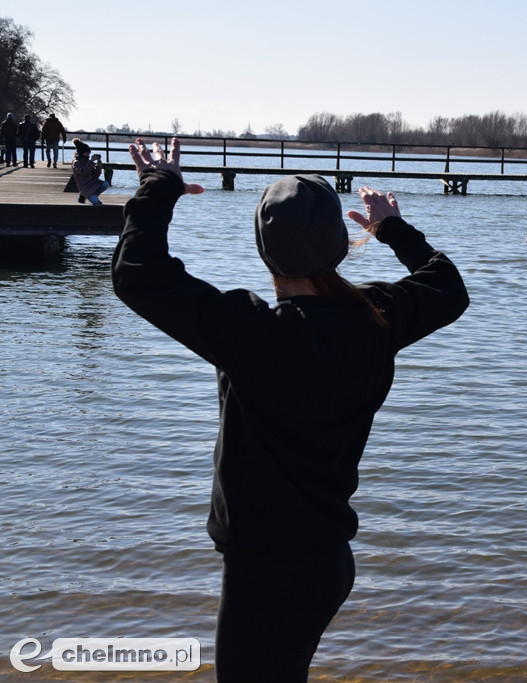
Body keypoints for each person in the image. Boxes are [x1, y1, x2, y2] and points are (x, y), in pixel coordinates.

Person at [111, 137, 469, 682]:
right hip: (327, 562)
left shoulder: (251, 332)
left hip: (266, 571)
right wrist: (392, 227)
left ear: (263, 250)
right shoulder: (376, 317)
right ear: (341, 245)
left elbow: (137, 271)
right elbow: (447, 286)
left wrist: (158, 187)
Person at [71, 138, 110, 205]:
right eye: (87, 153)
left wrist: (99, 165)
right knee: (97, 203)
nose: (88, 155)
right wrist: (91, 161)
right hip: (84, 187)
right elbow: (83, 172)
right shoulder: (76, 163)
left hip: (93, 183)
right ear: (82, 153)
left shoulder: (88, 161)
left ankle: (89, 196)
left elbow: (96, 175)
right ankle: (87, 195)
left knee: (105, 184)